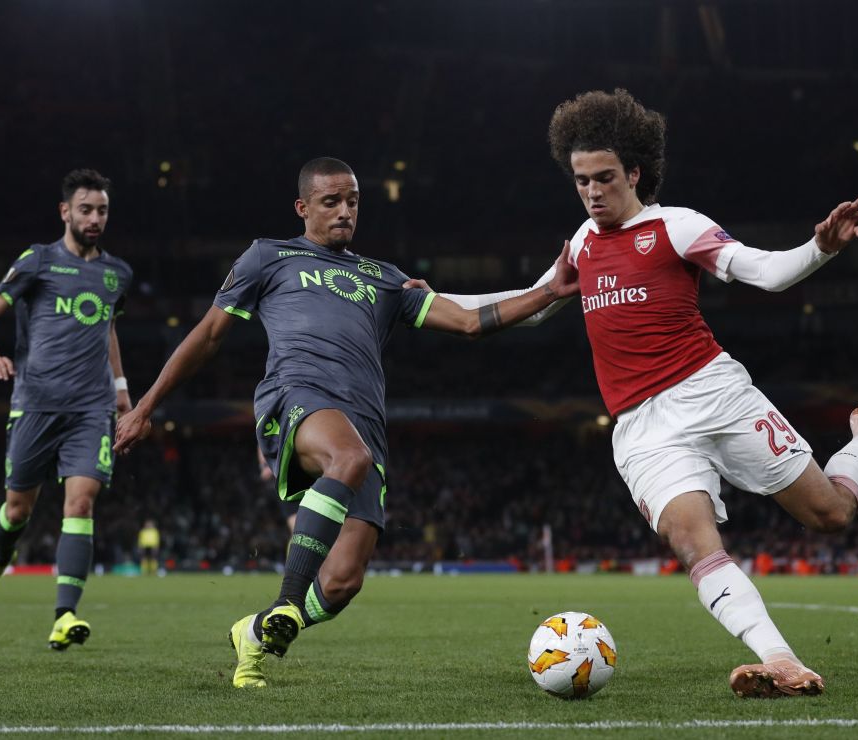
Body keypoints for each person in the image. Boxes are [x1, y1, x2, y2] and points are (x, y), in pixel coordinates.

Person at [407, 89, 858, 698]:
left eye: (604, 177)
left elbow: (765, 273)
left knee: (831, 515)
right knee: (692, 540)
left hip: (714, 393)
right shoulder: (581, 243)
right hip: (643, 427)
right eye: (581, 180)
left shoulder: (676, 226)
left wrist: (819, 247)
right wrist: (433, 302)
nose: (592, 192)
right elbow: (530, 306)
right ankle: (783, 660)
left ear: (634, 172)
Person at [113, 157, 578, 688]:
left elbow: (470, 322)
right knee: (347, 457)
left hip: (363, 427)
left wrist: (550, 291)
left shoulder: (387, 280)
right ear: (303, 207)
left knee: (340, 584)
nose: (344, 211)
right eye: (331, 201)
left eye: (352, 200)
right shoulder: (269, 256)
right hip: (296, 397)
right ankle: (287, 602)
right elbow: (209, 334)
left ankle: (257, 631)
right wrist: (145, 405)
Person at [0, 168, 133, 650]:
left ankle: (64, 616)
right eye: (86, 209)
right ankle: (0, 557)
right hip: (35, 405)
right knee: (18, 510)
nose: (95, 217)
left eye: (102, 210)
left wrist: (121, 392)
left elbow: (108, 331)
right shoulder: (37, 262)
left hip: (91, 409)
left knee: (80, 503)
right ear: (66, 212)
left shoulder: (116, 274)